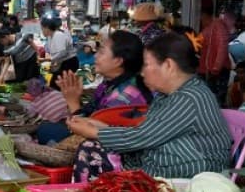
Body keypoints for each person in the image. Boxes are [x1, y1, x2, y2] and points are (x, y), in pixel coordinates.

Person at [66, 32, 232, 181]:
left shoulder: (190, 98)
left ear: (168, 66)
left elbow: (142, 137)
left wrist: (95, 132)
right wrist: (100, 127)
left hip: (195, 173)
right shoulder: (168, 96)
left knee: (92, 149)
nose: (142, 72)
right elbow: (148, 130)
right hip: (170, 164)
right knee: (92, 148)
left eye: (146, 65)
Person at [58, 31, 151, 118]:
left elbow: (91, 129)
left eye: (101, 52)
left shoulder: (124, 96)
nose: (95, 56)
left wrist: (73, 102)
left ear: (118, 61)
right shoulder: (109, 84)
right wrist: (75, 97)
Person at [199, 7, 231, 103]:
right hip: (209, 70)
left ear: (204, 15)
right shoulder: (209, 27)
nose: (200, 19)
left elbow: (222, 46)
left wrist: (216, 67)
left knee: (215, 99)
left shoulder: (217, 26)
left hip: (216, 71)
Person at [27, 78, 70, 144]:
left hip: (57, 127)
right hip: (69, 123)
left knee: (42, 129)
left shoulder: (35, 103)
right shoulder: (56, 92)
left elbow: (30, 114)